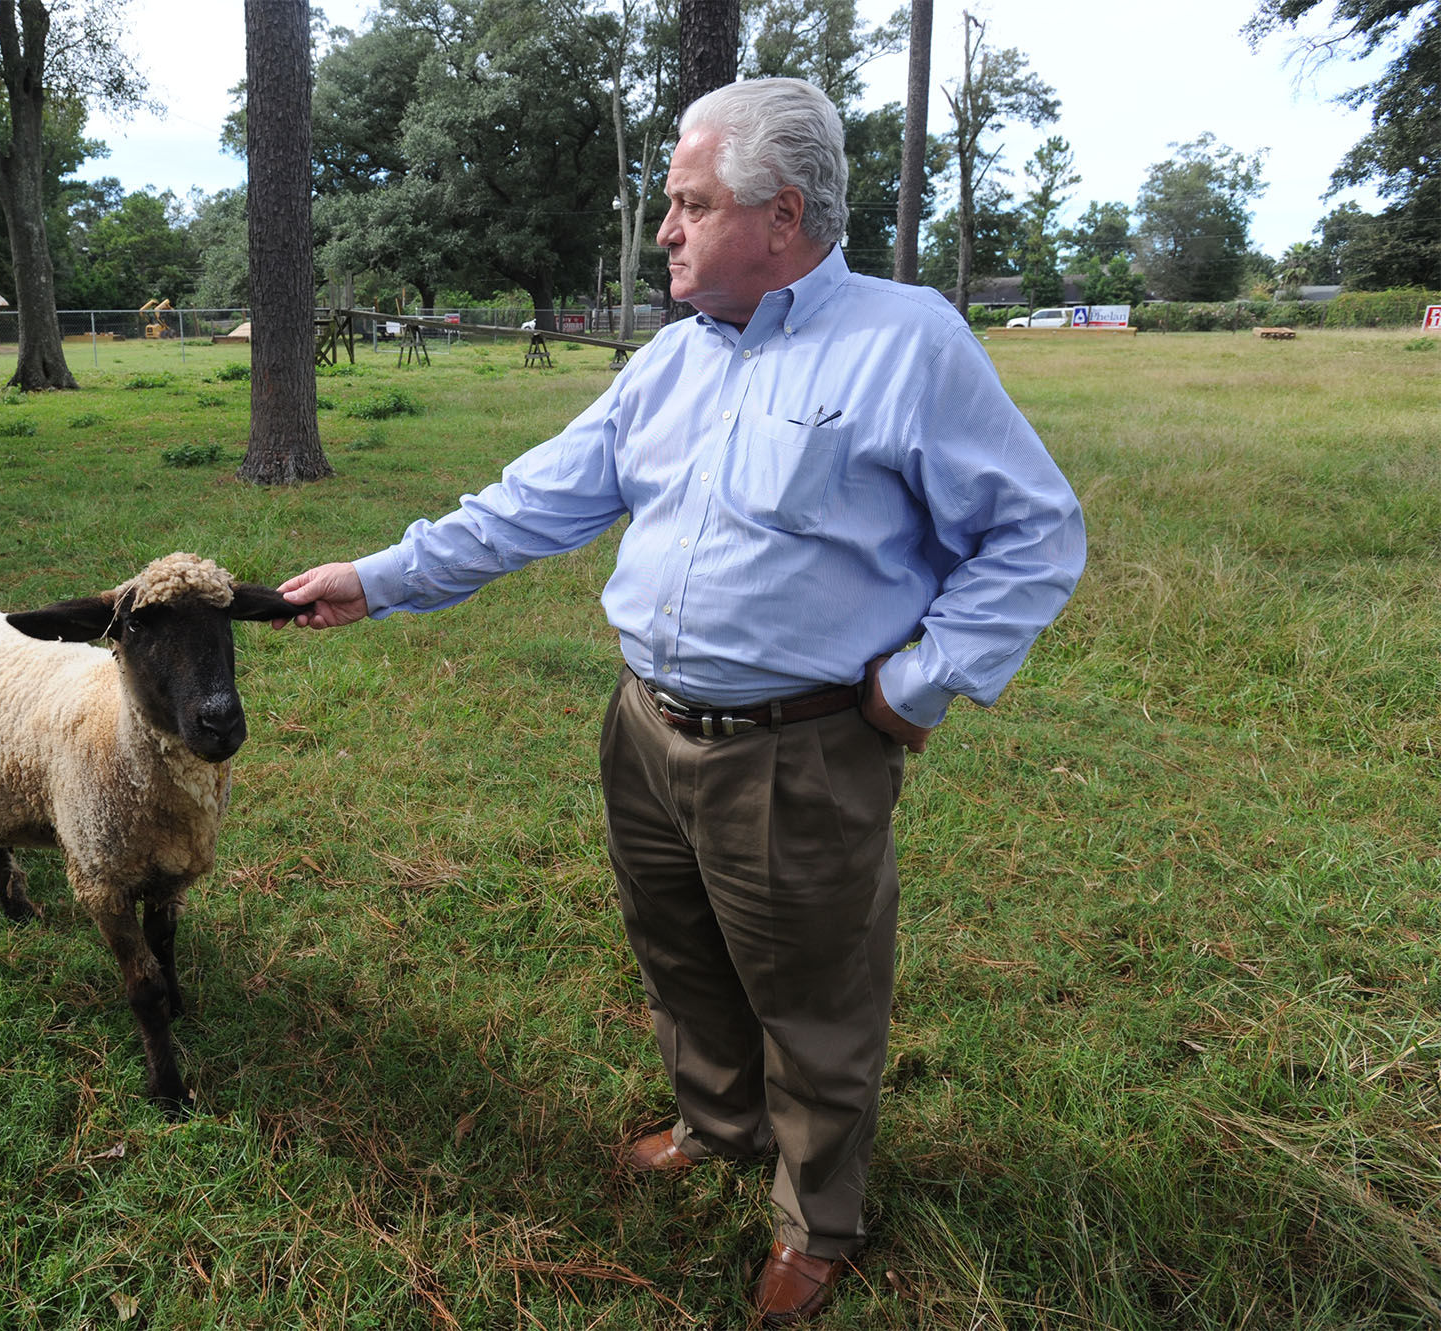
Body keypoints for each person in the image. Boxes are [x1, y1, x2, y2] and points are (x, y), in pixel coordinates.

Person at [276, 76, 1085, 1325]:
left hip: (799, 749)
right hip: (644, 725)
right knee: (678, 950)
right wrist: (378, 580)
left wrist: (923, 679)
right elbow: (535, 498)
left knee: (813, 995)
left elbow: (1032, 534)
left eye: (687, 204)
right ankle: (716, 1124)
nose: (662, 229)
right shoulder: (670, 358)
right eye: (669, 204)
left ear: (780, 213)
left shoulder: (904, 342)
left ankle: (817, 1220)